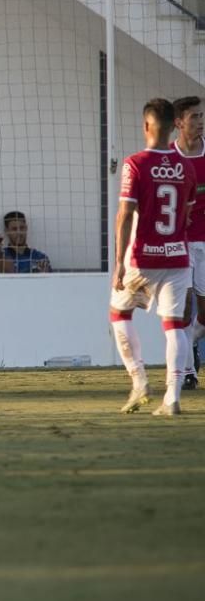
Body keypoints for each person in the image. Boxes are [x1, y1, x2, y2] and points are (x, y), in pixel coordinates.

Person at [111, 98, 197, 417]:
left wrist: (119, 262)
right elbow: (185, 217)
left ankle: (139, 381)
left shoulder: (135, 163)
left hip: (142, 257)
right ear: (172, 125)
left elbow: (124, 215)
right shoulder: (186, 167)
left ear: (147, 125)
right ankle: (172, 398)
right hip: (177, 256)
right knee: (174, 326)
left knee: (119, 313)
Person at [172, 96, 205, 390]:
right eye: (193, 117)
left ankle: (191, 339)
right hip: (179, 242)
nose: (200, 122)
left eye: (201, 116)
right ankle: (187, 371)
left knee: (203, 313)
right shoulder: (168, 157)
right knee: (182, 307)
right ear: (178, 122)